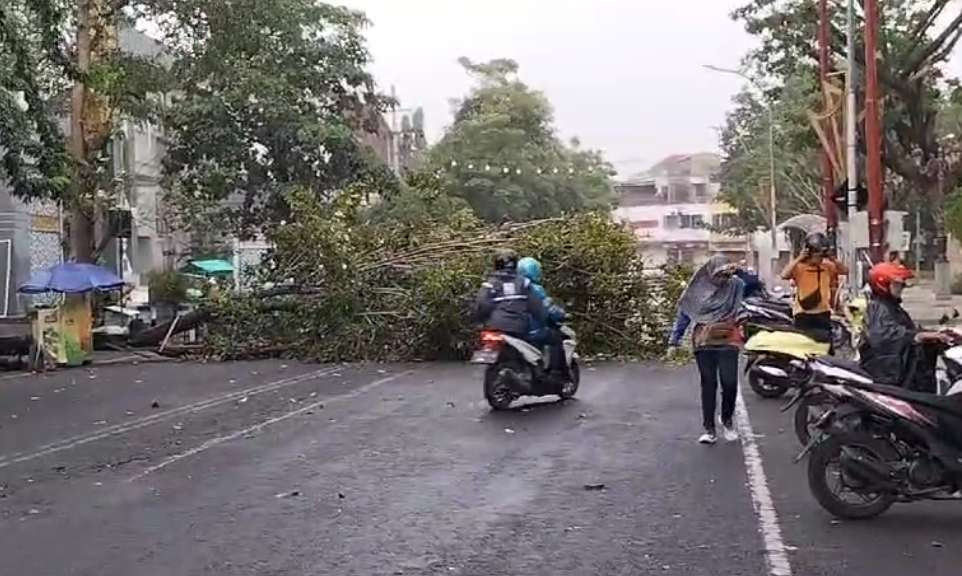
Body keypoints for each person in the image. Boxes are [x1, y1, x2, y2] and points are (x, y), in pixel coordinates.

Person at [668, 255, 745, 445]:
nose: (722, 280)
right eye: (718, 275)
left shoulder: (735, 285)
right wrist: (674, 341)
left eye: (725, 275)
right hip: (704, 339)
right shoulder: (697, 289)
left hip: (729, 336)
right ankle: (709, 429)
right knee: (708, 384)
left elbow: (755, 284)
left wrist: (738, 270)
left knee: (729, 382)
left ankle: (727, 420)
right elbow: (685, 314)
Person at [859, 261, 947, 391]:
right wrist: (917, 336)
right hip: (889, 375)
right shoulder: (879, 307)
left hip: (901, 374)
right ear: (883, 284)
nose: (902, 287)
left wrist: (935, 335)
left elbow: (907, 329)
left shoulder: (892, 306)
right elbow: (883, 335)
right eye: (897, 284)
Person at [780, 232, 848, 346]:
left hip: (822, 312)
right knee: (803, 347)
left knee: (824, 347)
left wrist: (833, 258)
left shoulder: (827, 266)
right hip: (803, 313)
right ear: (809, 253)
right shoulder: (799, 268)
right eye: (817, 255)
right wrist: (799, 258)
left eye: (822, 255)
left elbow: (845, 271)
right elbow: (784, 275)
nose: (820, 259)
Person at [473, 249, 547, 341]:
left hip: (494, 328)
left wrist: (480, 323)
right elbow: (537, 307)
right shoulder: (524, 284)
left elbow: (481, 306)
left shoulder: (489, 285)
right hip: (518, 329)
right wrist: (543, 319)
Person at [517, 256, 568, 380]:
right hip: (533, 330)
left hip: (515, 329)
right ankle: (555, 372)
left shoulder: (513, 286)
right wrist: (561, 315)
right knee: (556, 339)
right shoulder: (535, 289)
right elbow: (547, 308)